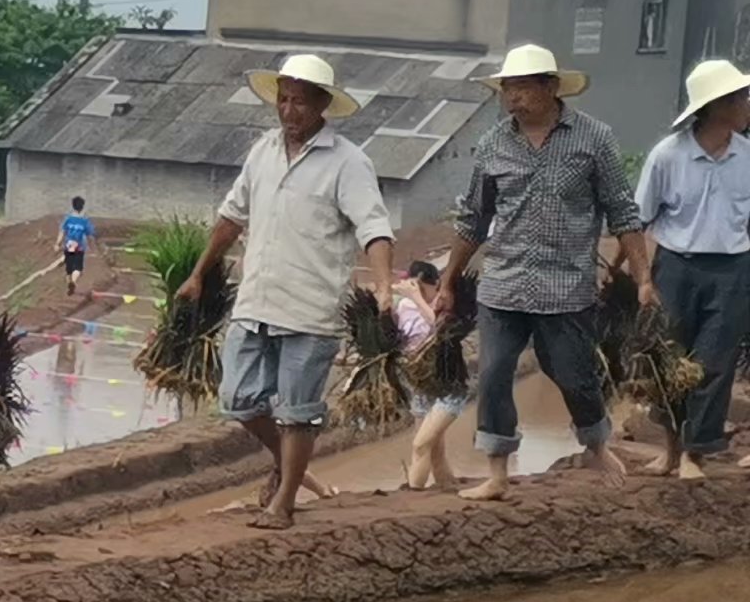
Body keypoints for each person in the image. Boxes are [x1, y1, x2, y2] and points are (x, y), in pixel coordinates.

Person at [177, 54, 394, 530]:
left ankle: (284, 504)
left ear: (323, 106)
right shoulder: (263, 152)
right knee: (238, 399)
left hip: (312, 309)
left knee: (298, 413)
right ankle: (293, 468)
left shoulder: (348, 163)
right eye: (283, 99)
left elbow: (374, 227)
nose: (289, 110)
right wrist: (197, 273)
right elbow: (232, 218)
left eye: (300, 101)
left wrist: (382, 287)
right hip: (256, 301)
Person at [437, 44, 655, 501]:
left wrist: (643, 277)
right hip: (504, 282)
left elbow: (623, 212)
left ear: (551, 87)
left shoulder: (594, 139)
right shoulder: (495, 143)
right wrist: (448, 279)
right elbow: (473, 218)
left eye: (522, 87)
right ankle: (497, 472)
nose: (513, 97)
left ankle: (596, 443)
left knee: (573, 375)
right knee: (495, 371)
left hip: (565, 287)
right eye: (507, 88)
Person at [634, 58, 750, 479]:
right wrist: (642, 278)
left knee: (715, 363)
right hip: (678, 268)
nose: (748, 104)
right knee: (671, 362)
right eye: (741, 98)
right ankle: (669, 448)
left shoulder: (747, 157)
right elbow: (639, 219)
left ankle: (694, 455)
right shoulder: (669, 156)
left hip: (733, 270)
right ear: (718, 105)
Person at [395, 260, 467, 491]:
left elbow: (441, 330)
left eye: (423, 288)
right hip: (420, 386)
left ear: (434, 285)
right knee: (435, 451)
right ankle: (447, 486)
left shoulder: (444, 303)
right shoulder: (404, 306)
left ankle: (413, 494)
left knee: (420, 445)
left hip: (448, 387)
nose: (419, 292)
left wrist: (418, 298)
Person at [61, 196, 98, 296]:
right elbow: (90, 236)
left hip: (68, 246)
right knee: (78, 268)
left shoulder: (68, 219)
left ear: (73, 206)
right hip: (79, 247)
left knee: (69, 268)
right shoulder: (85, 221)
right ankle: (73, 281)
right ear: (82, 207)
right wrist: (92, 248)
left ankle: (70, 283)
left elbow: (62, 231)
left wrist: (57, 243)